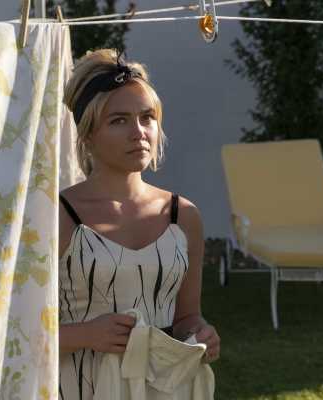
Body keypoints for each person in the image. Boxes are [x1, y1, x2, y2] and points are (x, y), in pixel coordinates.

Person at [58, 48, 220, 399]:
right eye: (119, 120)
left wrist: (201, 333)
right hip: (81, 386)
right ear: (87, 134)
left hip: (164, 388)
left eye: (147, 117)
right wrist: (84, 335)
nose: (139, 132)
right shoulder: (57, 215)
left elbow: (186, 317)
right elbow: (12, 328)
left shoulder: (183, 216)